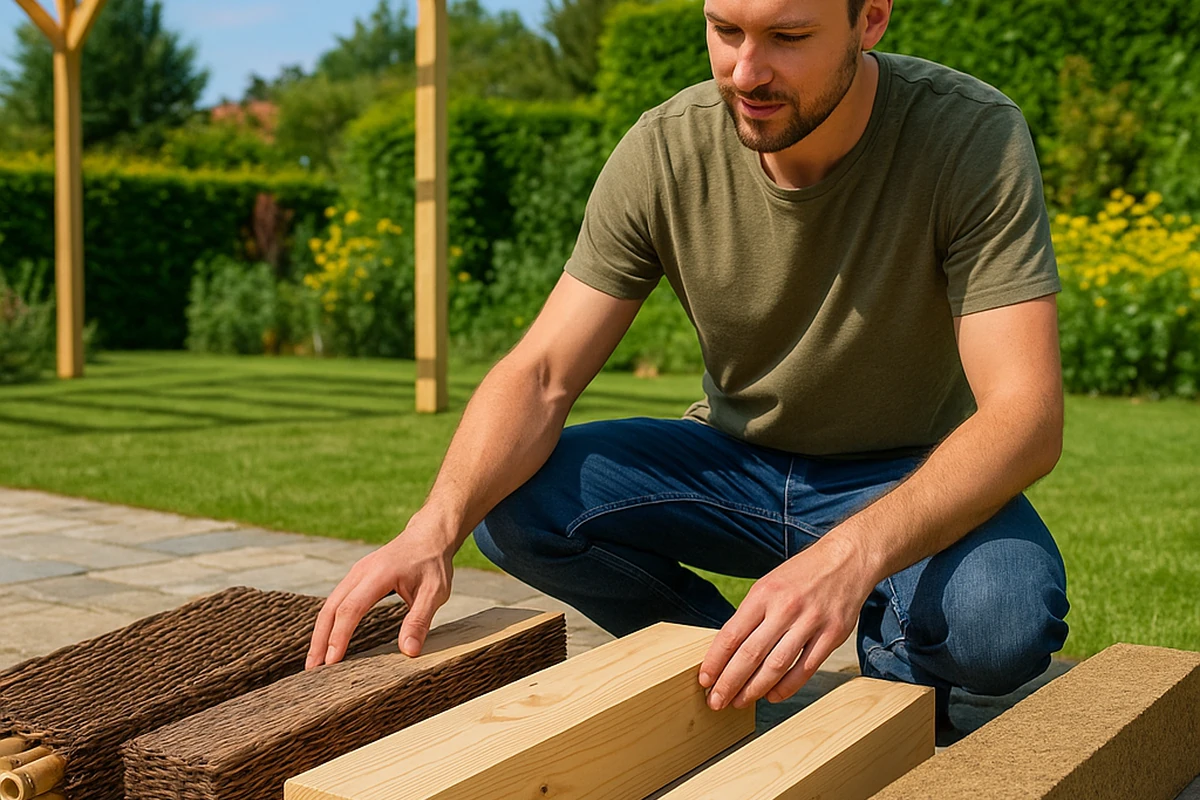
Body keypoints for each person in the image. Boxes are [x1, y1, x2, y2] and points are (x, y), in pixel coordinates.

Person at [306, 0, 1070, 737]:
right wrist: (431, 528)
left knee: (1000, 621)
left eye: (788, 36)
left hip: (904, 472)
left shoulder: (969, 136)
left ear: (869, 20)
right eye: (725, 29)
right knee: (512, 503)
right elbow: (541, 372)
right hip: (731, 466)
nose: (746, 70)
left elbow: (1024, 416)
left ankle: (892, 684)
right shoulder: (665, 148)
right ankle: (730, 666)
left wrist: (849, 558)